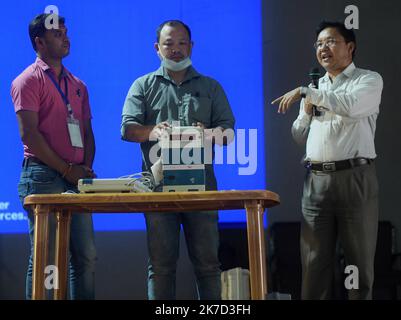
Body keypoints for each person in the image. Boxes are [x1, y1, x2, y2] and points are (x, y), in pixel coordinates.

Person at [121, 20, 235, 300]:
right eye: (168, 43)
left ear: (191, 46)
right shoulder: (143, 85)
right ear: (157, 48)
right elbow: (127, 129)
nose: (175, 49)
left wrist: (202, 134)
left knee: (209, 266)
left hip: (203, 189)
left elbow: (228, 134)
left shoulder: (211, 86)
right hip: (158, 190)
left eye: (182, 43)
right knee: (160, 267)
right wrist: (153, 131)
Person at [272, 21, 383, 299]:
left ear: (350, 47)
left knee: (357, 265)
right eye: (319, 44)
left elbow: (351, 106)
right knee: (313, 263)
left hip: (354, 178)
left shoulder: (368, 80)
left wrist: (308, 93)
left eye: (331, 41)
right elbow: (299, 135)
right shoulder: (314, 86)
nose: (323, 48)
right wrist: (307, 111)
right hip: (316, 182)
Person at [11, 13, 97, 299]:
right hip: (43, 176)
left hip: (75, 178)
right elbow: (30, 135)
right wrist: (65, 169)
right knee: (45, 260)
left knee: (85, 256)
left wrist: (84, 168)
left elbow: (86, 131)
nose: (65, 37)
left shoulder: (78, 85)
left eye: (66, 32)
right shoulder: (27, 81)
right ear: (39, 42)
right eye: (57, 33)